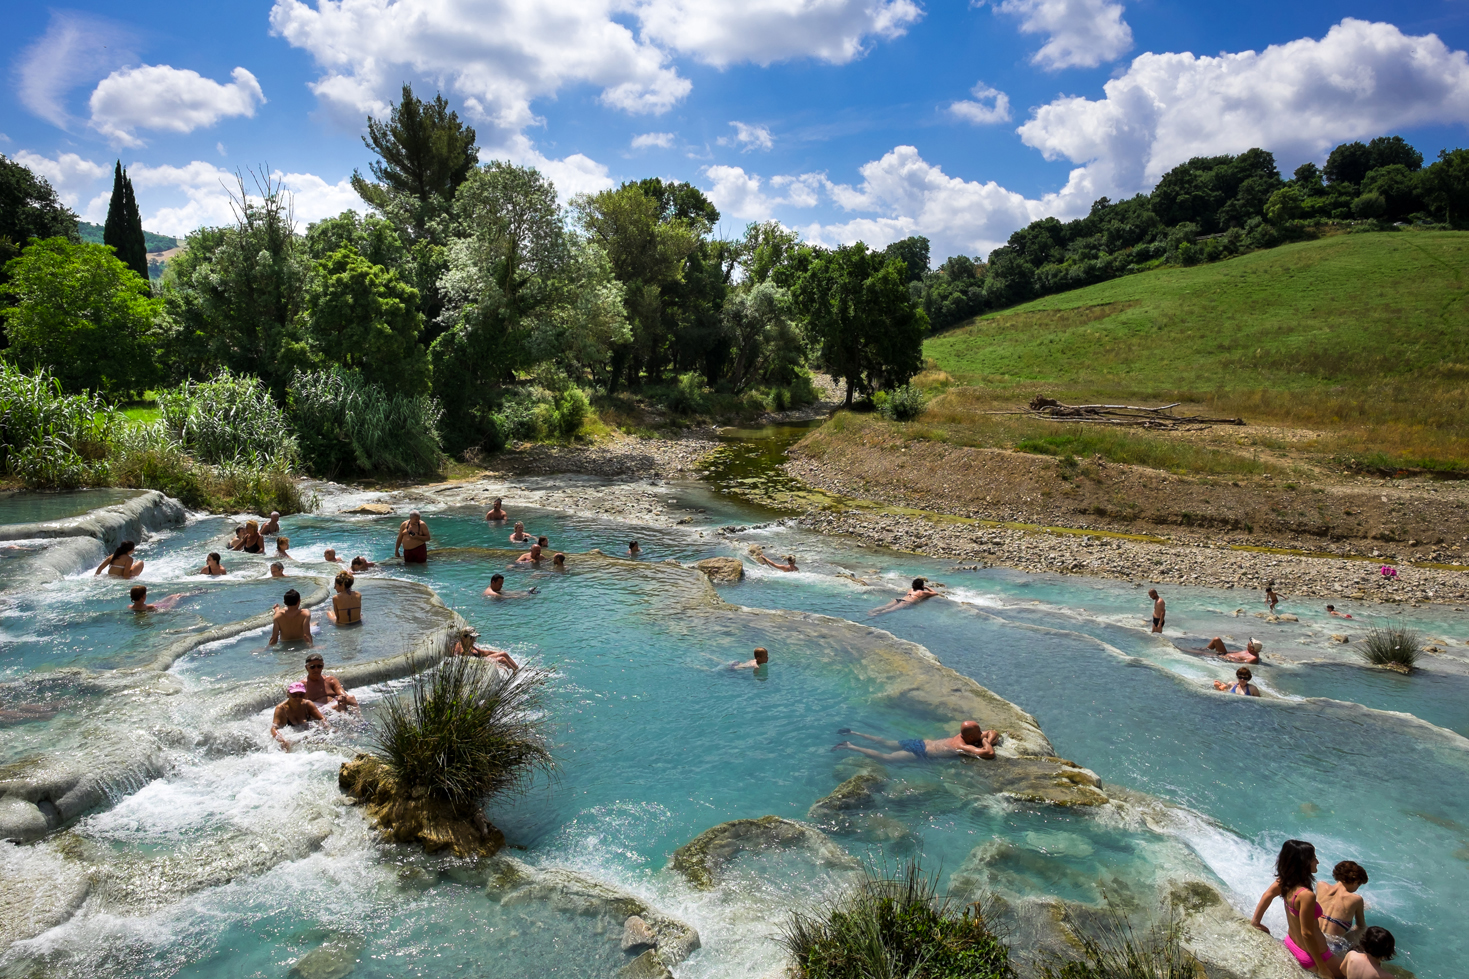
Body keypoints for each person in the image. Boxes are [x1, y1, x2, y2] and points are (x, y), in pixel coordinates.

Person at [1250, 839, 1342, 977]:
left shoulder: (1284, 882)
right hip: (1315, 956)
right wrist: (1322, 967)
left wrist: (1256, 922)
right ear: (1304, 863)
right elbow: (1307, 933)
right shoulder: (1306, 895)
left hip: (1292, 943)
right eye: (1314, 858)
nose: (1317, 861)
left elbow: (1267, 895)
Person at [833, 720, 999, 761]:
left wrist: (985, 737)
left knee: (886, 743)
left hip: (921, 742)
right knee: (886, 758)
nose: (982, 732)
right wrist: (986, 742)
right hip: (920, 751)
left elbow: (993, 731)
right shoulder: (962, 745)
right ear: (971, 737)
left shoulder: (962, 735)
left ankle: (853, 732)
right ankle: (850, 746)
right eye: (979, 731)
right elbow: (988, 754)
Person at [1317, 862, 1369, 958]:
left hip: (1313, 937)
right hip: (1332, 948)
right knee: (1363, 929)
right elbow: (1361, 926)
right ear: (1355, 881)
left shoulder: (1320, 886)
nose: (1357, 888)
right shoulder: (1356, 899)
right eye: (1359, 885)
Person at [270, 682, 328, 751]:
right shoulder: (281, 709)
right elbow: (273, 728)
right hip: (291, 735)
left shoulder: (308, 704)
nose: (297, 698)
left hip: (306, 734)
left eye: (301, 695)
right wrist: (282, 741)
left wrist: (328, 729)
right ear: (288, 694)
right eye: (294, 695)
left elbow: (322, 718)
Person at [454, 626, 519, 670]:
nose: (474, 640)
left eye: (475, 637)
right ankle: (514, 675)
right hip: (478, 665)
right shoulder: (460, 649)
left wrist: (498, 653)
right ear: (463, 637)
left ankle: (518, 670)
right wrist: (494, 665)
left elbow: (483, 652)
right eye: (471, 638)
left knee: (503, 653)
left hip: (481, 660)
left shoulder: (468, 645)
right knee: (502, 659)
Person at [870, 578, 941, 615]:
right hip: (906, 602)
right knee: (890, 610)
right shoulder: (923, 593)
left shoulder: (911, 589)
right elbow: (935, 593)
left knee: (885, 606)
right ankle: (876, 615)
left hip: (899, 599)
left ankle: (871, 611)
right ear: (921, 585)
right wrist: (927, 587)